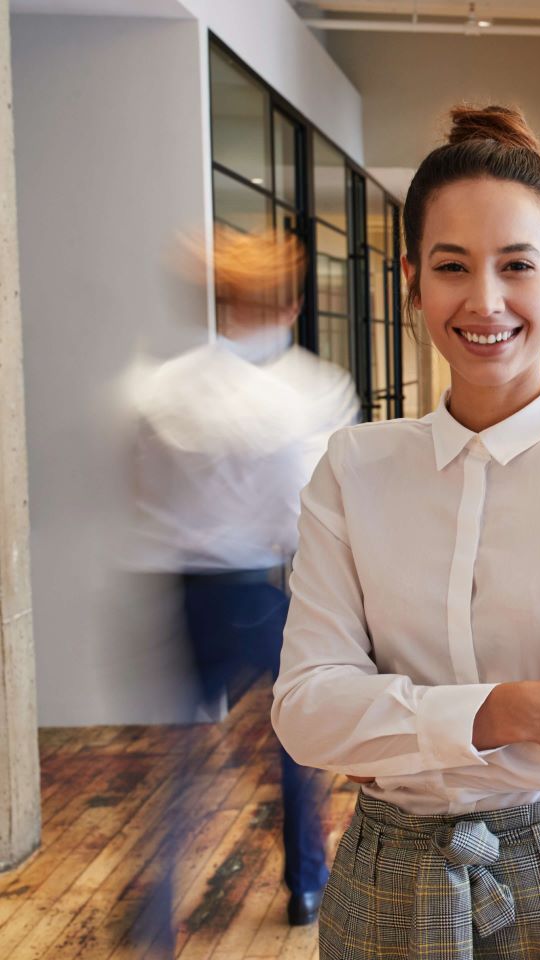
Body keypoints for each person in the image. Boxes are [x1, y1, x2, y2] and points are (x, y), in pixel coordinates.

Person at [272, 105, 540, 960]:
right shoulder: (354, 466)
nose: (485, 300)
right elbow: (308, 714)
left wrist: (394, 729)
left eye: (518, 266)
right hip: (383, 883)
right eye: (452, 266)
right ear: (412, 279)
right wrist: (522, 708)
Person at [130, 227, 360, 937]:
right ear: (292, 305)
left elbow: (142, 491)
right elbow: (310, 510)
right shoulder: (311, 394)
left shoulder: (160, 387)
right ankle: (306, 887)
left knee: (181, 759)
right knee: (295, 743)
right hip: (264, 589)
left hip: (184, 590)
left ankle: (159, 907)